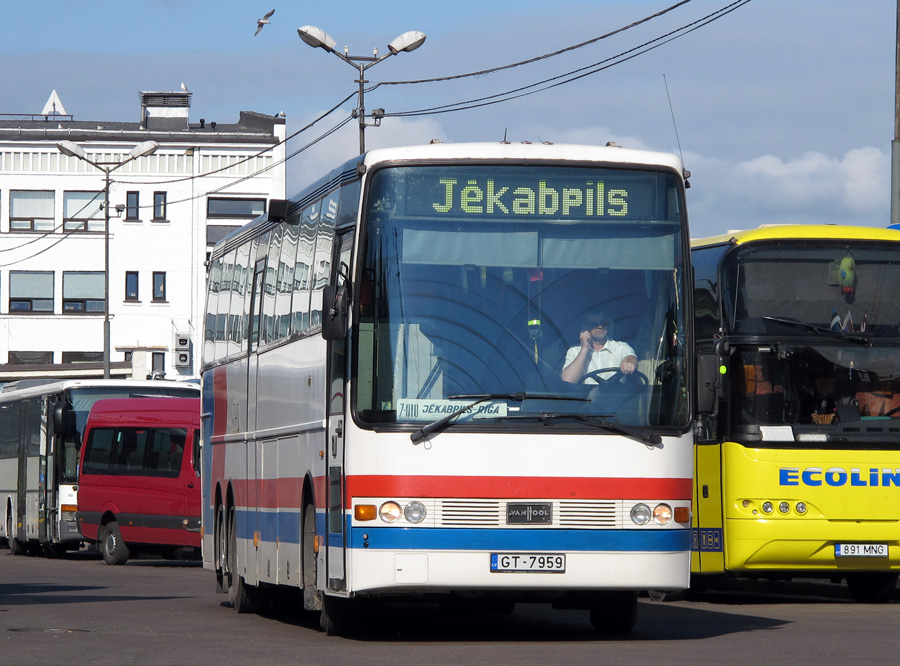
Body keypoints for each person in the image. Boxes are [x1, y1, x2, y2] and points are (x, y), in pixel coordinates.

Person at [561, 312, 638, 384]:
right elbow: (568, 380)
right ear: (585, 327)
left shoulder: (620, 347)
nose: (600, 326)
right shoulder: (574, 351)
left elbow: (630, 357)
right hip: (587, 397)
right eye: (594, 324)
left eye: (603, 322)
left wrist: (628, 364)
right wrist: (584, 349)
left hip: (618, 396)